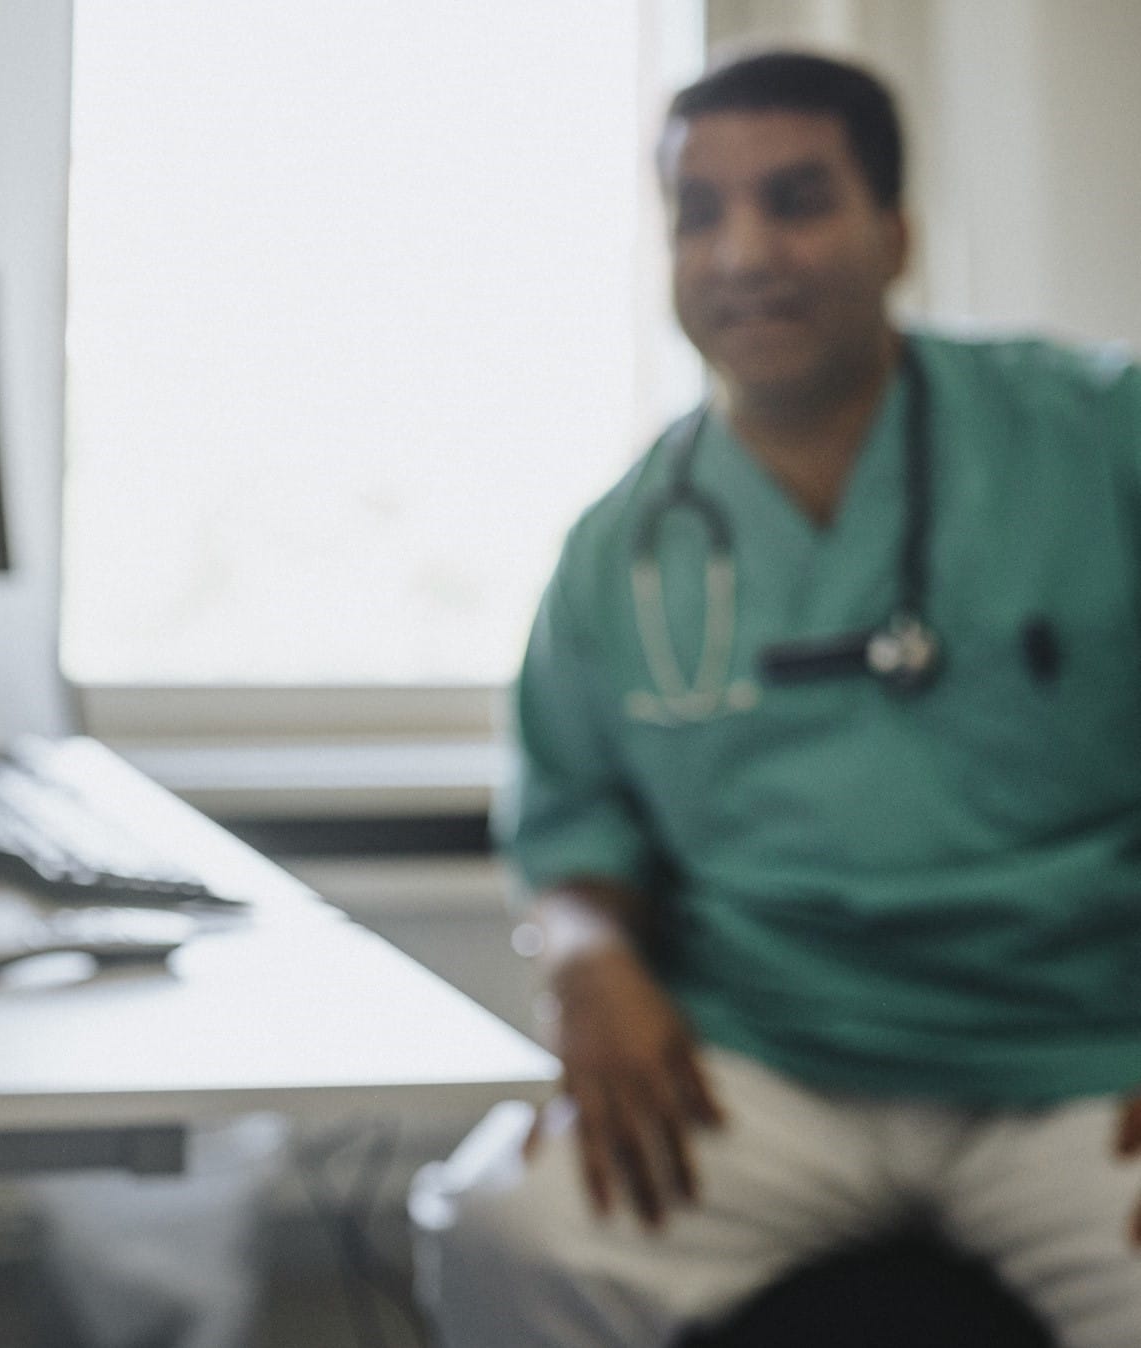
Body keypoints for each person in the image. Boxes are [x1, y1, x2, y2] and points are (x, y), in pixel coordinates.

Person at [410, 49, 1141, 1347]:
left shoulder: (1095, 436)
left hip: (1084, 1058)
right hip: (767, 1065)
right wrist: (584, 956)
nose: (744, 252)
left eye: (797, 200)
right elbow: (571, 822)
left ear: (896, 232)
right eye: (701, 211)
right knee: (496, 1234)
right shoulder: (619, 549)